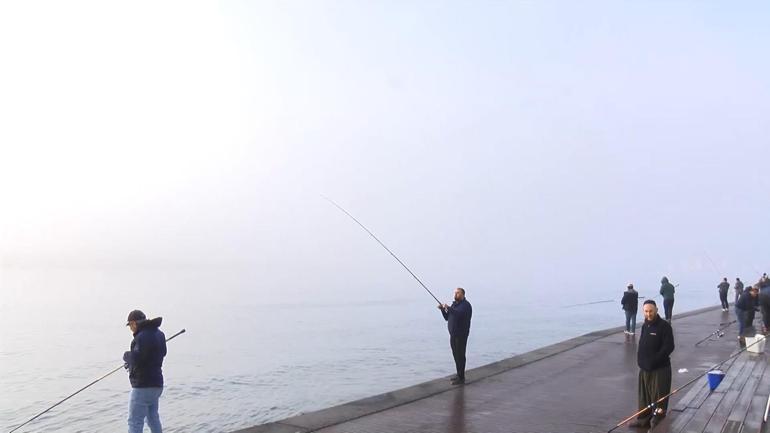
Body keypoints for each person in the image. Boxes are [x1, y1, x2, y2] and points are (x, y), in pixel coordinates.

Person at [629, 300, 675, 429]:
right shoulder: (645, 325)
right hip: (644, 368)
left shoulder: (664, 326)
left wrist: (655, 360)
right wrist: (640, 360)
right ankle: (643, 418)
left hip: (660, 368)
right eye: (646, 311)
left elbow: (669, 347)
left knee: (659, 396)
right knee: (644, 396)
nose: (648, 314)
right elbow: (642, 344)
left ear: (656, 310)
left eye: (651, 311)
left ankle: (658, 420)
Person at [123, 310, 167, 433]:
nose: (131, 329)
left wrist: (127, 356)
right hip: (157, 384)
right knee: (153, 418)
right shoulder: (159, 334)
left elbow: (136, 358)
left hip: (142, 386)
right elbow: (162, 353)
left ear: (134, 323)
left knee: (134, 422)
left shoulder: (141, 337)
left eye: (130, 325)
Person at [438, 288, 472, 385]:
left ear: (462, 294)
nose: (455, 294)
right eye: (455, 293)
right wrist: (442, 310)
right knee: (455, 355)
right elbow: (447, 318)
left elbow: (459, 314)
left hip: (461, 335)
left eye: (458, 293)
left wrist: (448, 308)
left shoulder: (465, 305)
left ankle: (461, 378)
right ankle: (458, 375)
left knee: (460, 355)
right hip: (453, 335)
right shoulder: (454, 305)